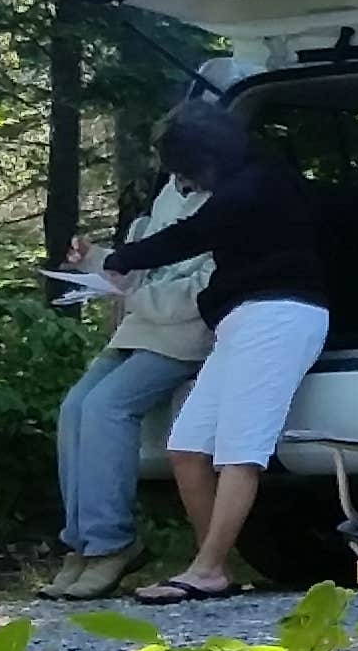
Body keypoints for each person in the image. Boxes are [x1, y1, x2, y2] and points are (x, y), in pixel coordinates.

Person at [97, 99, 333, 605]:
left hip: (279, 315)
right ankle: (214, 565)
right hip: (244, 318)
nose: (183, 183)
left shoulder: (253, 185)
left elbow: (193, 234)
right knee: (187, 447)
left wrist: (122, 259)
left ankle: (206, 569)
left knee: (240, 451)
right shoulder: (252, 178)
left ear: (205, 157)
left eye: (184, 171)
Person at [41, 183, 212, 598]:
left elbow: (200, 293)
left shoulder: (228, 200)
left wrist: (133, 293)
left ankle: (111, 545)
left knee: (106, 407)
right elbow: (140, 264)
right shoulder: (169, 194)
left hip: (185, 335)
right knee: (75, 407)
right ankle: (80, 545)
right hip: (139, 329)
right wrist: (96, 260)